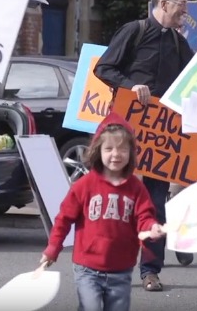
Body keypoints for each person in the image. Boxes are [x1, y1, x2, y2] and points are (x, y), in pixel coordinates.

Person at [93, 0, 197, 292]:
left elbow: (194, 84)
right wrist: (129, 86)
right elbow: (103, 68)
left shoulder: (178, 43)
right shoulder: (133, 32)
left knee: (156, 207)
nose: (184, 14)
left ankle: (150, 270)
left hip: (161, 143)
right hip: (128, 138)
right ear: (163, 5)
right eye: (180, 7)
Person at [40, 112, 166, 311]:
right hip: (87, 267)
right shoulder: (83, 186)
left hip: (122, 268)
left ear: (131, 152)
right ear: (98, 151)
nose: (116, 154)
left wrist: (152, 229)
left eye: (122, 149)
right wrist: (53, 248)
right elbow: (64, 219)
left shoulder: (136, 188)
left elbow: (144, 216)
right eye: (109, 149)